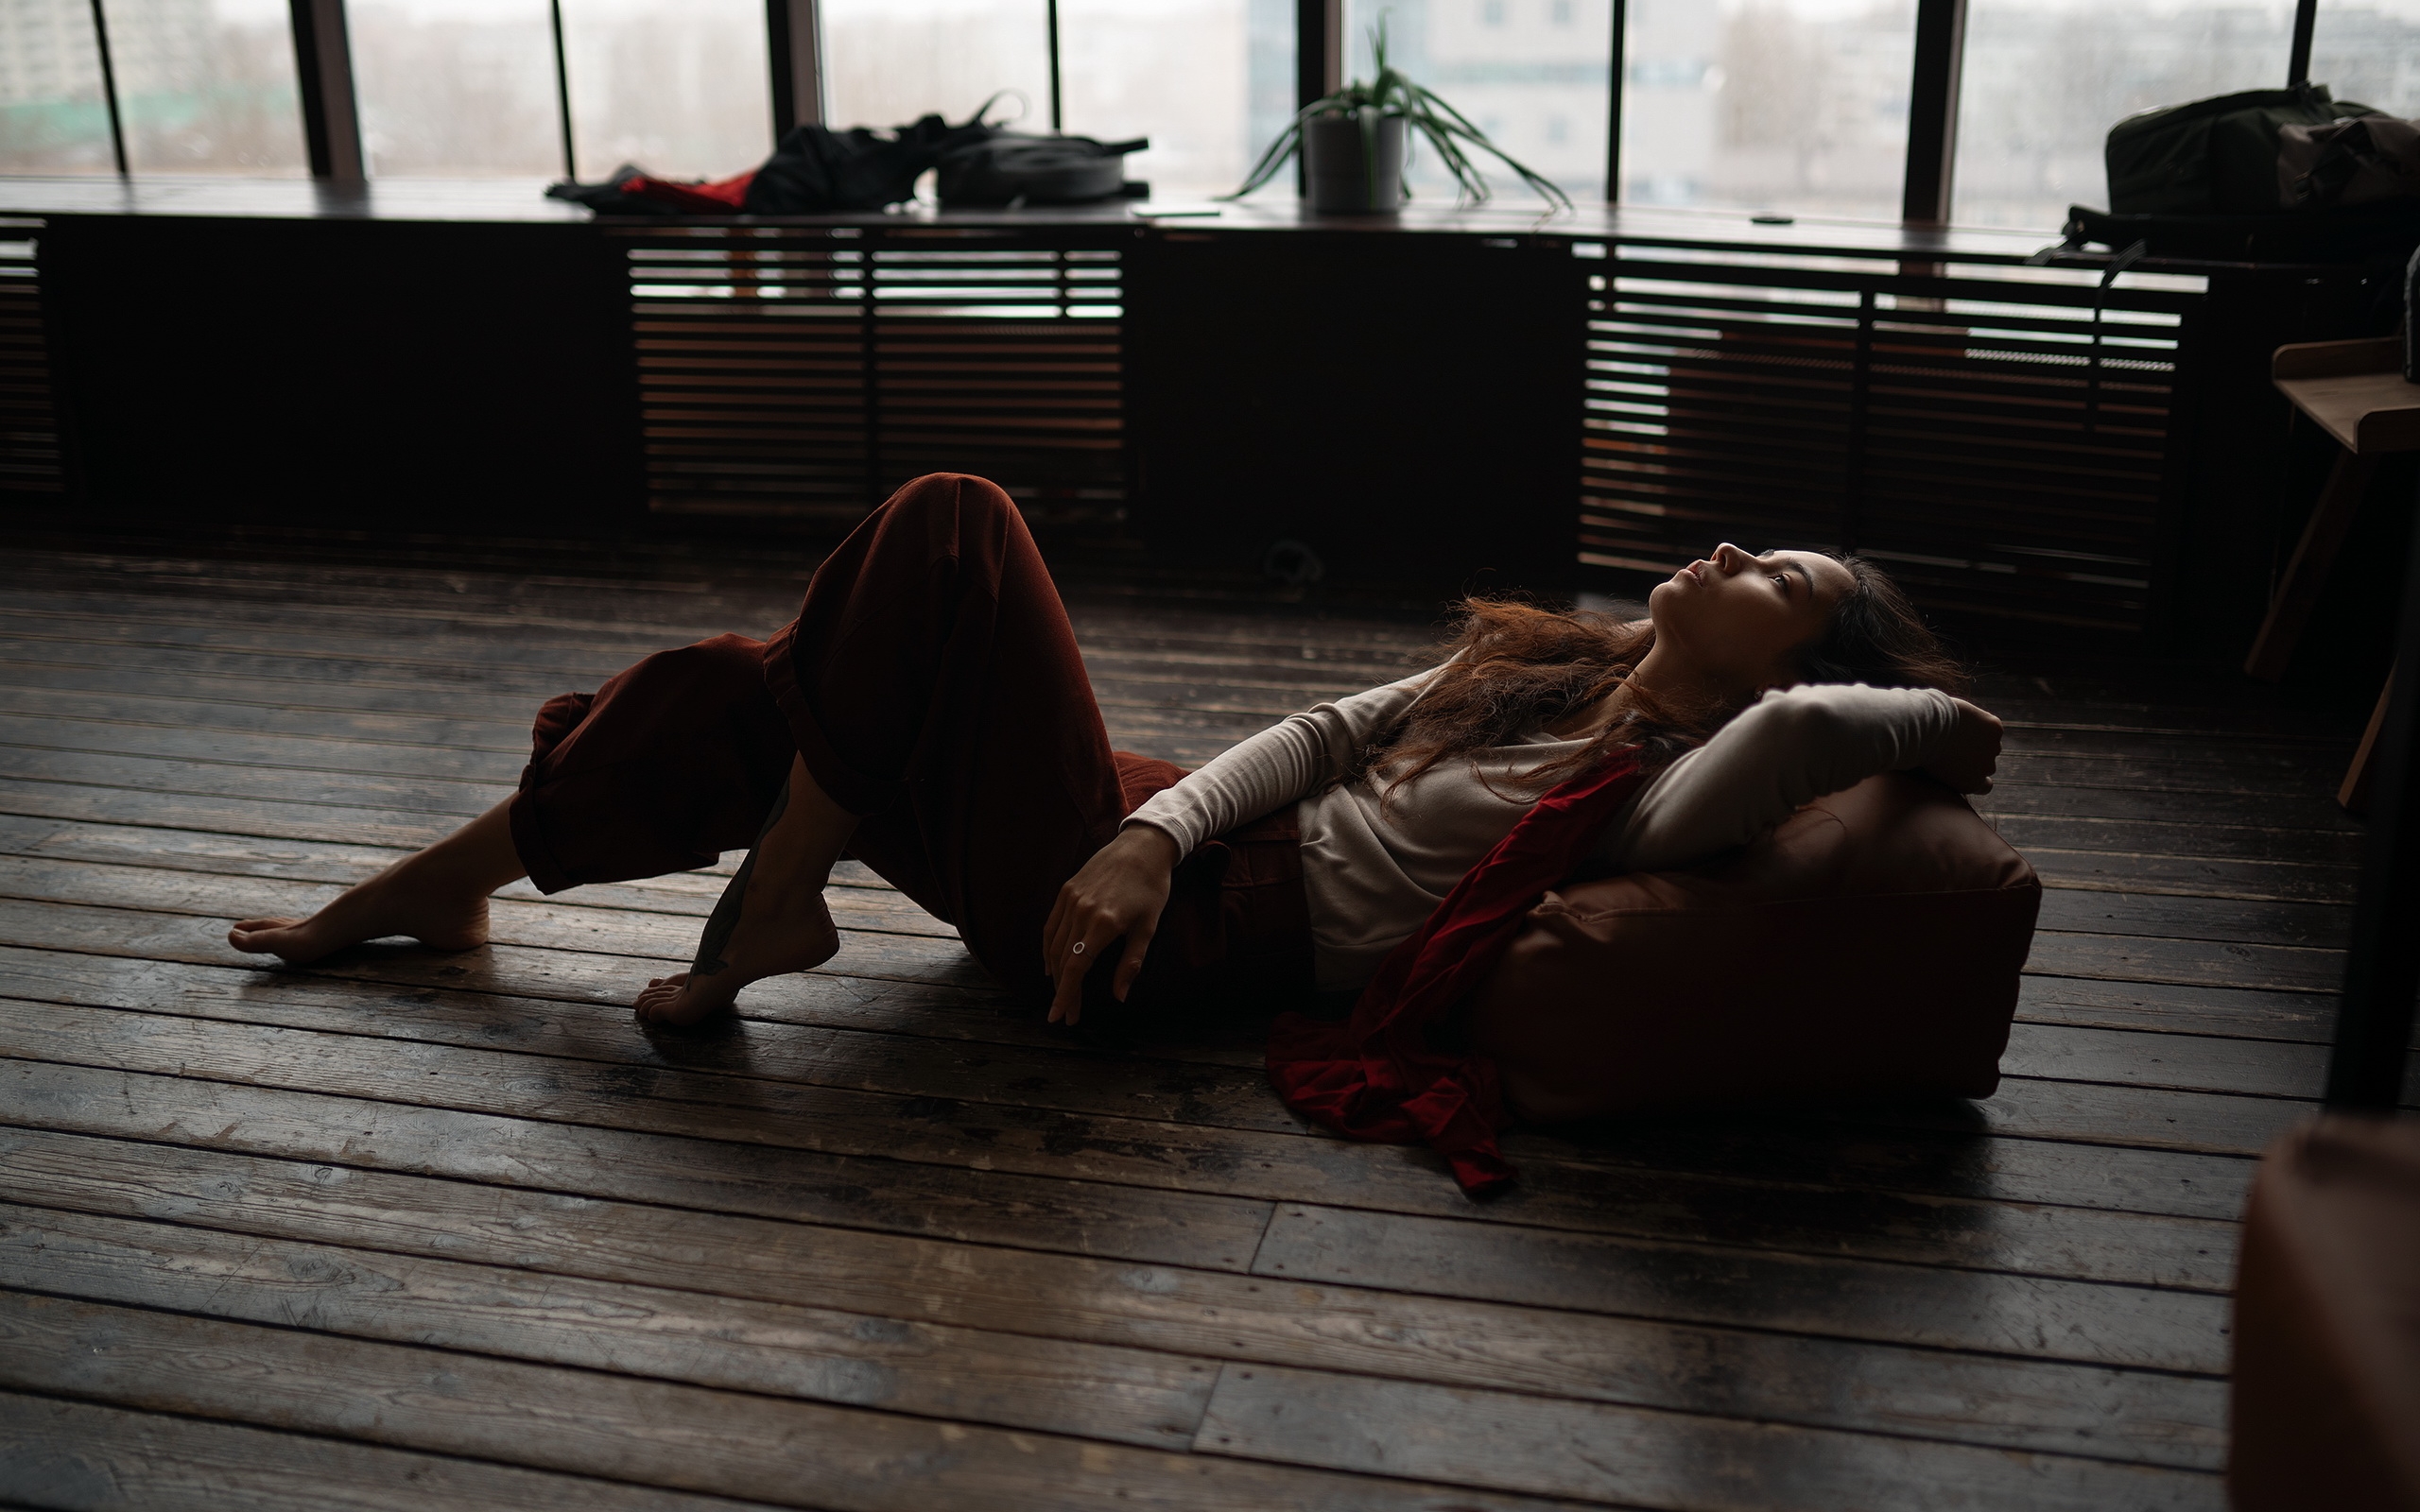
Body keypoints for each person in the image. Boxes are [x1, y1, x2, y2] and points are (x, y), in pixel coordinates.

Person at [227, 472, 2002, 1035]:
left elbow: (1822, 735)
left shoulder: (1668, 793)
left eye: (1779, 577)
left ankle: (770, 896)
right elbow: (1321, 734)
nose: (1731, 550)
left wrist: (1949, 718)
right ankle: (437, 895)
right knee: (749, 681)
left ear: (1796, 658)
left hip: (1197, 947)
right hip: (1156, 850)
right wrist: (1151, 834)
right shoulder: (1565, 665)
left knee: (954, 524)